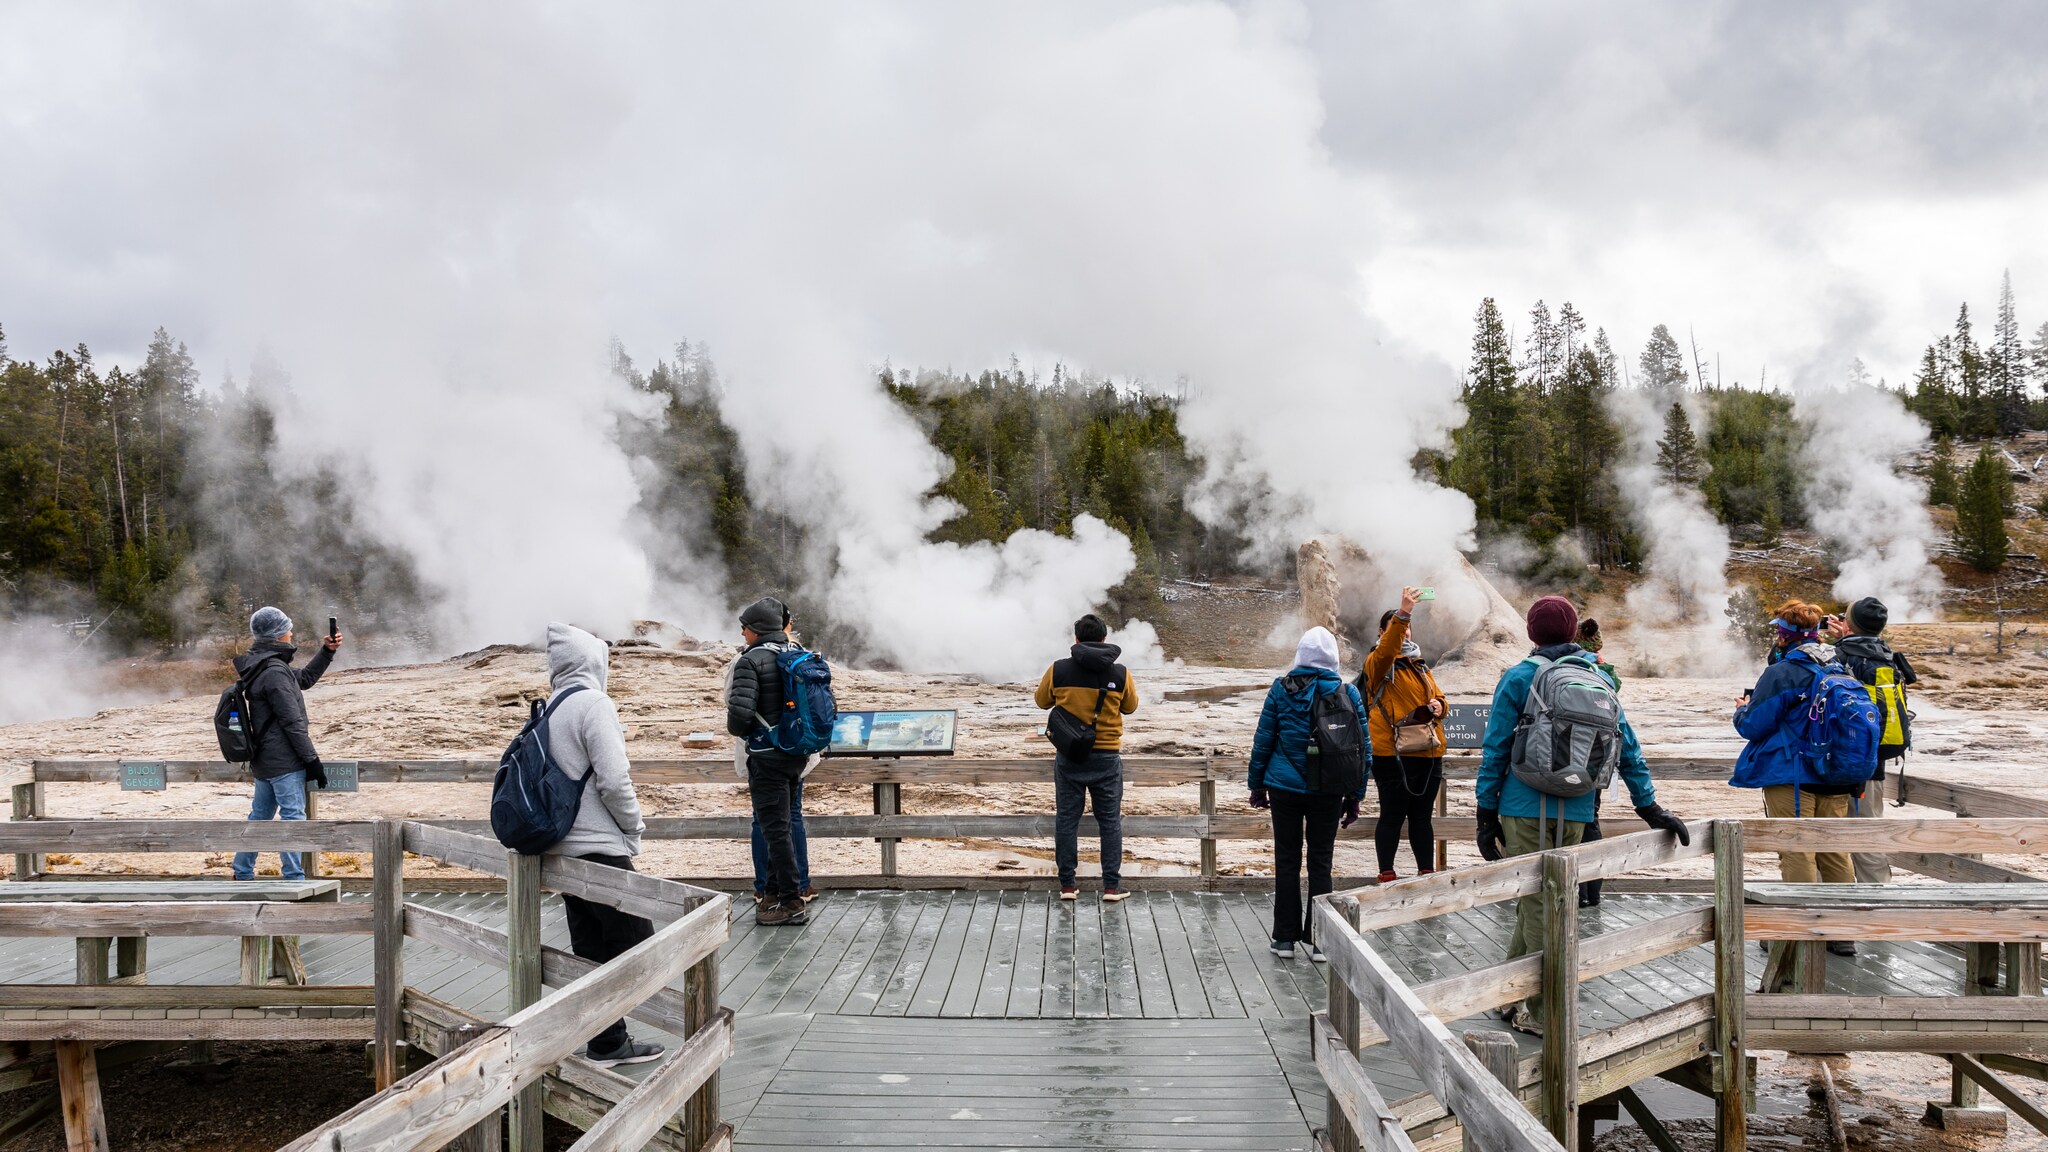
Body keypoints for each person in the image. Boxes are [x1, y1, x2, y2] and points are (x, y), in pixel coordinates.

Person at [1476, 596, 1688, 1032]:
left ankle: (1546, 1014)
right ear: (1574, 632)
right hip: (1575, 807)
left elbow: (1496, 747)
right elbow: (1627, 747)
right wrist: (1649, 807)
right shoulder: (1598, 677)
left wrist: (1484, 813)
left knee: (1537, 904)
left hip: (1522, 806)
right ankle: (1509, 995)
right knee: (1541, 902)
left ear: (1531, 634)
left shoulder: (1518, 677)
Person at [540, 623, 663, 1066]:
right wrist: (634, 829)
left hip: (561, 848)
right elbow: (614, 781)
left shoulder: (549, 706)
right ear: (593, 661)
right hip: (599, 846)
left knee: (590, 949)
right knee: (642, 946)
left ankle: (606, 1043)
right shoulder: (593, 703)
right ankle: (671, 1034)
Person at [1732, 601, 1863, 951]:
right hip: (1836, 774)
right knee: (1834, 852)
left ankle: (1794, 935)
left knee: (1796, 852)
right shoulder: (1840, 666)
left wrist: (1741, 711)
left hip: (1792, 776)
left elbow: (1754, 726)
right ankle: (1842, 933)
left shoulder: (1783, 673)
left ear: (1783, 634)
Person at [1250, 626, 1367, 962]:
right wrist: (1355, 794)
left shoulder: (1281, 689)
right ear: (1332, 657)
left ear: (1300, 654)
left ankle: (1283, 939)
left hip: (1284, 788)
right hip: (1328, 789)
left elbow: (1264, 740)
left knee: (1286, 860)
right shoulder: (1347, 690)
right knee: (1321, 860)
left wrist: (1257, 784)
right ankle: (1320, 941)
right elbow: (1363, 748)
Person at [1035, 614, 1139, 902]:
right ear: (1104, 638)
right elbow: (1130, 707)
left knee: (1067, 820)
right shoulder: (1120, 673)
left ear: (1076, 639)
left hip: (1070, 756)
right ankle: (1111, 888)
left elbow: (1041, 701)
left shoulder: (1058, 670)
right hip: (1107, 756)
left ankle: (1068, 886)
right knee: (1110, 822)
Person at [231, 607, 339, 882]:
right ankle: (294, 877)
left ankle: (242, 872)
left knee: (260, 817)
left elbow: (303, 679)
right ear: (279, 635)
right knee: (293, 818)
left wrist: (326, 652)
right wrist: (312, 761)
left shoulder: (263, 665)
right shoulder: (274, 672)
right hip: (283, 761)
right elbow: (292, 723)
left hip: (265, 760)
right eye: (288, 629)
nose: (292, 633)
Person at [728, 596, 817, 925]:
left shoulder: (750, 662)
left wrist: (744, 730)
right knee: (780, 823)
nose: (742, 633)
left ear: (757, 630)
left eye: (746, 628)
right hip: (796, 756)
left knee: (775, 830)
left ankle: (791, 902)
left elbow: (738, 716)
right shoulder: (795, 655)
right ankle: (772, 895)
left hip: (767, 757)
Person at [1355, 586, 1447, 884]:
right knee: (1392, 815)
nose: (1406, 634)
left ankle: (1426, 873)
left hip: (1428, 751)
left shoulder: (1419, 665)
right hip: (1392, 753)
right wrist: (1403, 613)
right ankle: (1387, 872)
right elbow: (1388, 647)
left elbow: (1442, 699)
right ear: (1384, 631)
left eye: (1408, 629)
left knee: (1422, 817)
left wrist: (1438, 706)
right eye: (1399, 629)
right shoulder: (1378, 664)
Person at [1827, 596, 1918, 884]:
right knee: (1868, 830)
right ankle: (1878, 894)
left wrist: (1840, 642)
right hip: (1875, 762)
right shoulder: (1887, 655)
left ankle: (1830, 903)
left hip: (1836, 761)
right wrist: (1847, 636)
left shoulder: (1838, 656)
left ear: (1848, 624)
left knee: (1828, 836)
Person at [1574, 618, 1617, 907]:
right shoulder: (1606, 677)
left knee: (1567, 826)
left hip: (1561, 760)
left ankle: (1575, 891)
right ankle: (1592, 893)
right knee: (1591, 820)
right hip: (1598, 760)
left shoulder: (1557, 670)